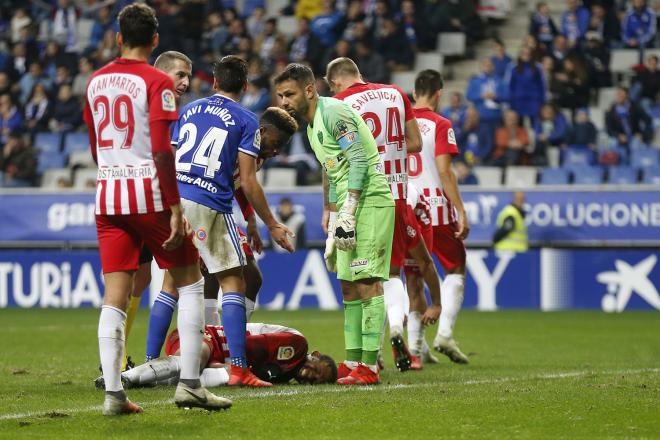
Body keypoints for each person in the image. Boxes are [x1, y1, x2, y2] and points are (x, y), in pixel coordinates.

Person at [83, 4, 229, 415]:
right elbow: (163, 151)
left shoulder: (94, 81)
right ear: (155, 40)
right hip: (147, 192)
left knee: (115, 294)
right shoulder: (155, 81)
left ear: (117, 38)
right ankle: (190, 386)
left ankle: (114, 394)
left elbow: (95, 144)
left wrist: (112, 172)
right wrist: (174, 206)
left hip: (108, 193)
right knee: (189, 281)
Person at [173, 55, 294, 388]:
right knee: (236, 280)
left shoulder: (191, 109)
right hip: (209, 203)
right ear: (245, 87)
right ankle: (234, 363)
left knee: (178, 286)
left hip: (178, 199)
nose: (276, 150)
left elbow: (236, 182)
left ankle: (169, 353)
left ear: (214, 82)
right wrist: (272, 224)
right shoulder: (246, 124)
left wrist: (252, 221)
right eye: (276, 143)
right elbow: (245, 182)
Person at [275, 63, 394, 385]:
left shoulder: (334, 113)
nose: (284, 102)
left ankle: (370, 366)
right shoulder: (312, 126)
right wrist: (331, 208)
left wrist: (350, 207)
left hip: (369, 202)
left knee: (368, 281)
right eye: (280, 96)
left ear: (310, 90)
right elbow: (331, 168)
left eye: (290, 94)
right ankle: (353, 361)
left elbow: (357, 159)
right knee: (348, 285)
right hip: (346, 207)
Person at [325, 57, 442, 374]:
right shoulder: (395, 94)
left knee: (361, 279)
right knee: (391, 275)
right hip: (398, 197)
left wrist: (330, 208)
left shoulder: (337, 104)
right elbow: (415, 144)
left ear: (334, 82)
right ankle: (394, 331)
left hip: (361, 198)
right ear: (358, 73)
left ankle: (370, 356)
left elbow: (332, 160)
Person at [410, 69, 470, 364]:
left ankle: (415, 346)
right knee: (456, 268)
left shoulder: (400, 121)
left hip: (406, 207)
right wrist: (460, 209)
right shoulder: (440, 124)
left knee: (410, 275)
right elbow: (445, 171)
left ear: (414, 93)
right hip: (435, 209)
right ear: (439, 93)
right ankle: (444, 332)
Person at [96, 323, 337, 389]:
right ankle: (120, 377)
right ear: (314, 355)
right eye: (316, 370)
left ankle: (139, 381)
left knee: (218, 377)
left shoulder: (284, 373)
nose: (310, 375)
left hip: (220, 357)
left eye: (316, 380)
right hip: (210, 337)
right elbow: (248, 343)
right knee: (192, 363)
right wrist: (233, 365)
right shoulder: (297, 345)